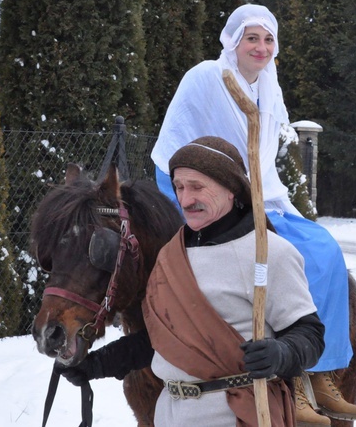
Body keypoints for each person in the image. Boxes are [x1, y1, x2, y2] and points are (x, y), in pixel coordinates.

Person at [150, 3, 356, 424]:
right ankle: (293, 383)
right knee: (269, 254)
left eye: (268, 39)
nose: (261, 47)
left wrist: (263, 200)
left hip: (252, 191)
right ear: (233, 41)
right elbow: (186, 153)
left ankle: (319, 373)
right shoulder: (208, 78)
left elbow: (261, 157)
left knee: (321, 248)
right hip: (195, 188)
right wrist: (215, 196)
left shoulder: (268, 85)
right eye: (252, 38)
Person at [58, 136, 326, 427]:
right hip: (170, 414)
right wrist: (97, 364)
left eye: (197, 187)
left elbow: (309, 335)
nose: (185, 199)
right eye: (179, 187)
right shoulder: (171, 254)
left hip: (240, 414)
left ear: (231, 190)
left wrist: (282, 353)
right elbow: (164, 340)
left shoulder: (268, 252)